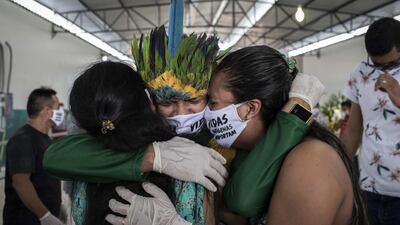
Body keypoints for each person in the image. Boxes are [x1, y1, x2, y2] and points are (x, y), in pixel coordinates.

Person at [44, 28, 323, 223]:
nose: (181, 114)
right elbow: (58, 156)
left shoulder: (224, 133)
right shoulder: (129, 129)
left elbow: (242, 198)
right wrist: (152, 156)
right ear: (148, 99)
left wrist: (295, 112)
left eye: (196, 102)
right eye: (167, 103)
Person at [109, 45, 368, 225]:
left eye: (212, 103)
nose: (203, 114)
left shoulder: (312, 162)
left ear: (250, 108)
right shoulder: (243, 151)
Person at [342, 17, 400, 225]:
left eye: (392, 64)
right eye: (376, 64)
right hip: (368, 187)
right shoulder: (360, 72)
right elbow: (353, 131)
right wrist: (340, 169)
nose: (384, 71)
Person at [3, 88, 65, 225]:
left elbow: (45, 180)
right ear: (47, 111)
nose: (61, 112)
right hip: (25, 220)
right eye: (58, 107)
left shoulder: (46, 140)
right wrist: (45, 216)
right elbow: (21, 182)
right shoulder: (22, 139)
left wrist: (58, 207)